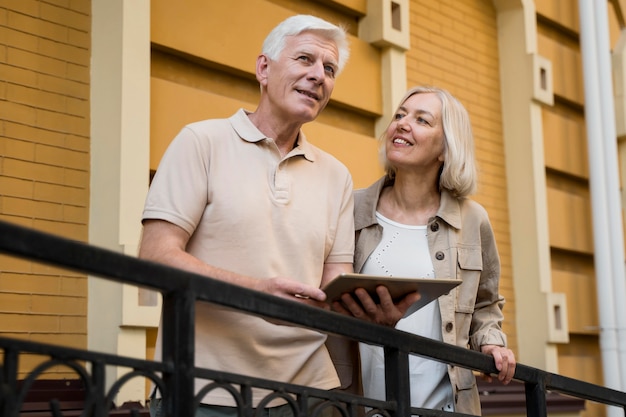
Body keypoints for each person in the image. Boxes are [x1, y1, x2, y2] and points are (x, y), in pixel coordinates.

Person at [138, 14, 355, 416]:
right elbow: (154, 255)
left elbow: (333, 282)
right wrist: (254, 290)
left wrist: (374, 307)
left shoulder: (337, 176)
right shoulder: (201, 142)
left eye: (329, 69)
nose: (318, 76)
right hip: (204, 389)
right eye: (304, 59)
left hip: (309, 394)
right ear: (263, 68)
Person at [334, 86, 516, 415]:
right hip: (360, 405)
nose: (403, 124)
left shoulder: (472, 220)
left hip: (445, 407)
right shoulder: (351, 207)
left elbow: (485, 304)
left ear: (446, 149)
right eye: (399, 115)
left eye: (422, 120)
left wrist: (491, 342)